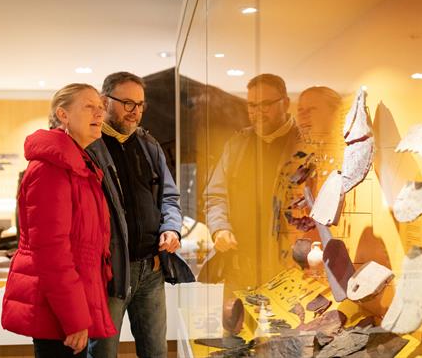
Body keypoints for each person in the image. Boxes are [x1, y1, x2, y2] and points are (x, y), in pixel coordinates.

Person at [1, 83, 117, 357]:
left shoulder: (78, 164)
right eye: (89, 106)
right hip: (57, 309)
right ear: (63, 115)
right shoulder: (51, 169)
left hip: (68, 304)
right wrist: (74, 318)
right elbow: (52, 253)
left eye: (100, 107)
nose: (99, 114)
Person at [86, 72, 183, 358]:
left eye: (140, 105)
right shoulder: (88, 145)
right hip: (109, 272)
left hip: (151, 269)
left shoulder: (148, 144)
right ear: (105, 101)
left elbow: (170, 197)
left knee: (155, 352)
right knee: (102, 352)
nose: (136, 112)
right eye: (128, 103)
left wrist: (172, 229)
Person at [204, 74, 302, 302]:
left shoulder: (303, 142)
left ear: (285, 103)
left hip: (287, 269)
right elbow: (214, 194)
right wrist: (219, 228)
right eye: (252, 105)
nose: (258, 112)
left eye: (266, 104)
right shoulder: (236, 144)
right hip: (239, 266)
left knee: (283, 336)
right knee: (236, 336)